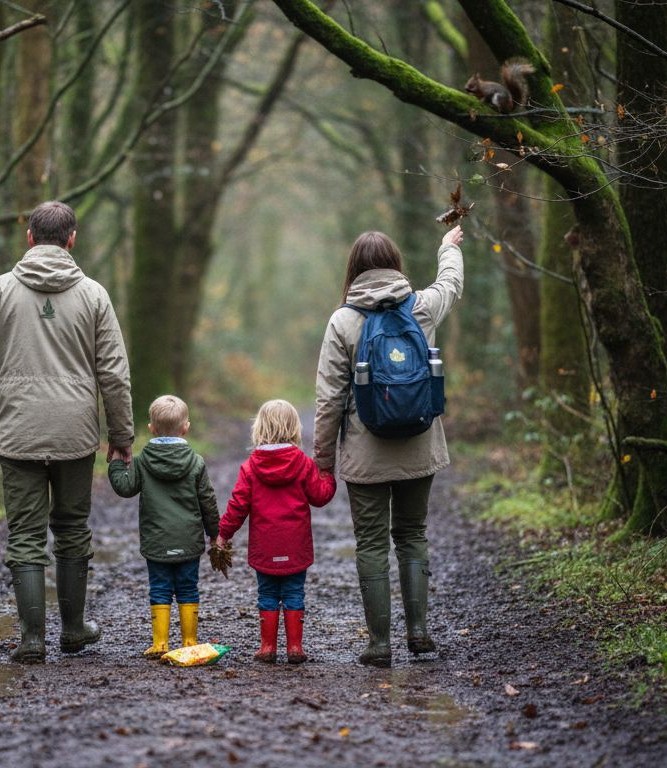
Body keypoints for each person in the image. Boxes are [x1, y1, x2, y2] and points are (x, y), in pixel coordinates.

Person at [0, 200, 133, 664]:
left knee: (25, 534)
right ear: (72, 239)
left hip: (19, 433)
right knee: (72, 530)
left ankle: (32, 639)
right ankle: (73, 629)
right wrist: (121, 435)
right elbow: (114, 373)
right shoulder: (93, 295)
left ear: (29, 238)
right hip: (75, 435)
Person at [312, 226, 464, 668]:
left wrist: (322, 463)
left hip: (365, 453)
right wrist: (447, 248)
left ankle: (379, 643)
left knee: (372, 543)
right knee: (413, 535)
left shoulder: (343, 321)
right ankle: (418, 632)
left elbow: (328, 400)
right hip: (420, 444)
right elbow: (450, 285)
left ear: (354, 270)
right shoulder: (420, 307)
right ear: (395, 263)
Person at [216, 400, 336, 664]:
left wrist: (223, 534)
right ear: (294, 428)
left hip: (265, 547)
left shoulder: (250, 467)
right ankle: (295, 648)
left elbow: (237, 505)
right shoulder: (303, 464)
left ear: (260, 428)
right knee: (294, 593)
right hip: (295, 546)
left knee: (267, 594)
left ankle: (268, 647)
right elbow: (319, 496)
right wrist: (328, 475)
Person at [107, 395, 219, 658]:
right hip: (189, 541)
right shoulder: (196, 462)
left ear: (151, 428)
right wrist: (215, 534)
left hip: (156, 541)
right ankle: (189, 641)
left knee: (159, 589)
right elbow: (208, 502)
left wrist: (114, 463)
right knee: (188, 588)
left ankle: (160, 644)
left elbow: (124, 487)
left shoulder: (143, 461)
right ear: (186, 427)